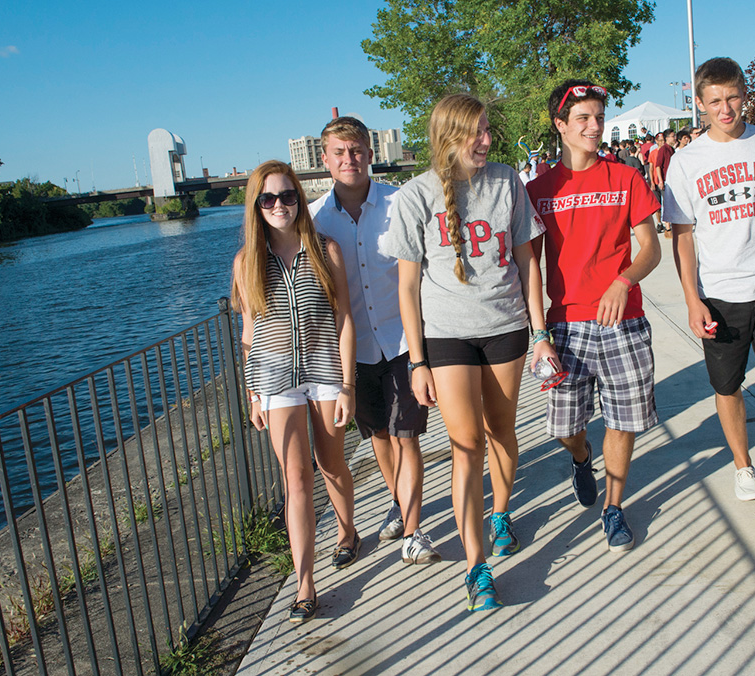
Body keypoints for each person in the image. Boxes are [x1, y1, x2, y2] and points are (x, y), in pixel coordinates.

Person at [383, 93, 555, 612]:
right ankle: (475, 565)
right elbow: (407, 289)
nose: (485, 141)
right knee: (467, 445)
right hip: (447, 336)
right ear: (447, 137)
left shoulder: (506, 181)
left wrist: (541, 331)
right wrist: (416, 362)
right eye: (474, 133)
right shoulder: (415, 196)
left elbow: (527, 263)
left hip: (505, 328)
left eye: (486, 131)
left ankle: (500, 514)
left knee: (502, 428)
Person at [662, 57, 755, 529]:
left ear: (744, 95)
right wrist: (692, 298)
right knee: (727, 388)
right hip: (720, 295)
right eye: (714, 102)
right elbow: (682, 236)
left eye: (732, 98)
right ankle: (744, 465)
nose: (725, 109)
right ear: (700, 105)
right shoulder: (686, 162)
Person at [527, 79, 662, 553]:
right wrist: (538, 332)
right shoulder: (538, 190)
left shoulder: (625, 178)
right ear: (560, 125)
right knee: (566, 428)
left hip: (622, 322)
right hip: (565, 326)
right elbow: (529, 268)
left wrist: (623, 282)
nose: (594, 126)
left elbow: (651, 249)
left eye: (599, 117)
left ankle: (613, 507)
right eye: (582, 118)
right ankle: (581, 459)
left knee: (623, 420)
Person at [309, 116, 440, 567]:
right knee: (380, 436)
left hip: (403, 341)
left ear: (370, 153)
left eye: (357, 150)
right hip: (353, 350)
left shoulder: (400, 202)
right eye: (339, 153)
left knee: (407, 436)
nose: (350, 160)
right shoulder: (313, 220)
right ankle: (400, 503)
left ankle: (414, 530)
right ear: (324, 160)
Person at [233, 160, 358, 623]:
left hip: (325, 371)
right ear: (256, 206)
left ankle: (348, 532)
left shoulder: (325, 249)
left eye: (287, 196)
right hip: (273, 379)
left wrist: (347, 384)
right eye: (268, 199)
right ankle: (305, 584)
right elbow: (248, 332)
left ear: (299, 201)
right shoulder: (247, 262)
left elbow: (344, 317)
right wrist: (252, 393)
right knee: (296, 479)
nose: (279, 205)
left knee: (330, 463)